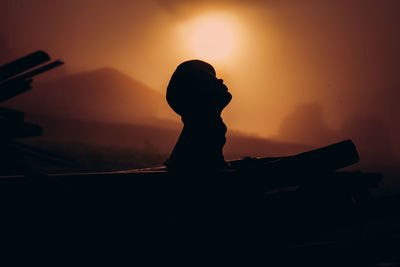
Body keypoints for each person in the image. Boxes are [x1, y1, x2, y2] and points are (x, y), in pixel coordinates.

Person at [165, 60, 232, 170]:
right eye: (211, 79)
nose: (220, 80)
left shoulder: (207, 125)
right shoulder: (206, 127)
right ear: (198, 92)